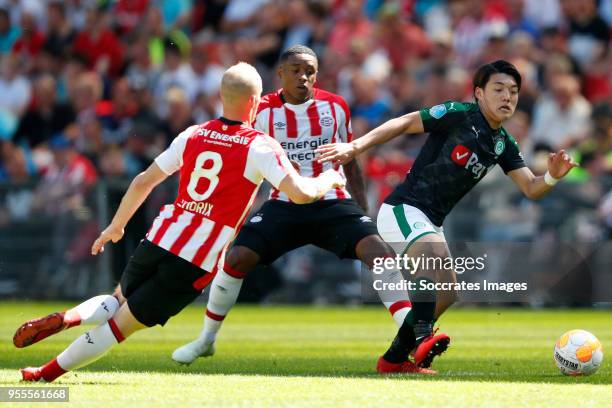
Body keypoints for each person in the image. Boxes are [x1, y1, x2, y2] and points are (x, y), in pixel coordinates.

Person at [14, 61, 345, 382]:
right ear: (256, 102)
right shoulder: (260, 146)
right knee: (119, 327)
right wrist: (330, 178)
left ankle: (69, 317)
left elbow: (144, 180)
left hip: (161, 236)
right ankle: (45, 373)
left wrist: (116, 226)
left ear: (221, 96)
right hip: (195, 259)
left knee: (116, 300)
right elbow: (301, 193)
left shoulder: (194, 133)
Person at [172, 45, 437, 374]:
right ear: (280, 74)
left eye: (309, 70)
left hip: (331, 199)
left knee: (378, 252)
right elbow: (241, 158)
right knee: (237, 258)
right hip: (285, 203)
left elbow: (349, 158)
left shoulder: (336, 107)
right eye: (295, 70)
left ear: (317, 74)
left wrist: (362, 208)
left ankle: (409, 337)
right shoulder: (260, 111)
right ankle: (206, 339)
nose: (303, 76)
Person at [315, 60, 578, 371]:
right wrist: (355, 146)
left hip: (429, 222)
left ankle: (394, 359)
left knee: (449, 293)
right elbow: (403, 123)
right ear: (479, 93)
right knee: (432, 253)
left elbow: (531, 188)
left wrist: (552, 176)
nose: (508, 97)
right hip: (402, 208)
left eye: (514, 91)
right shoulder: (459, 114)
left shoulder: (503, 143)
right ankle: (423, 336)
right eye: (499, 89)